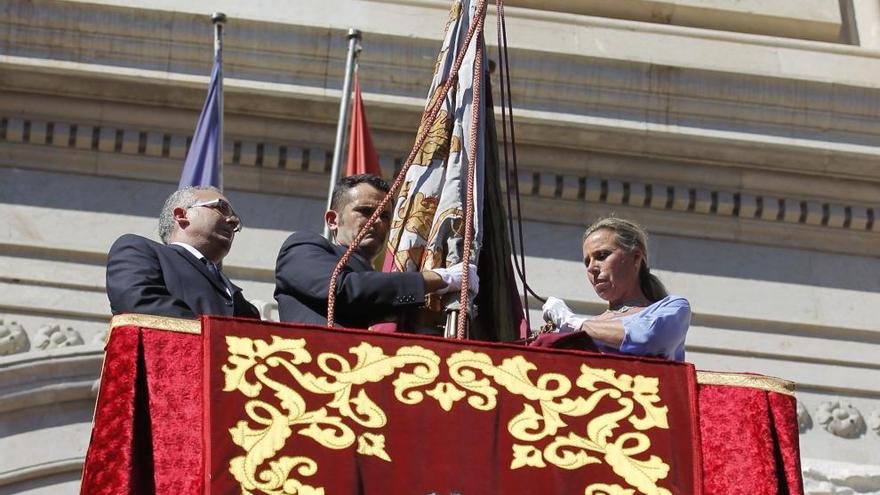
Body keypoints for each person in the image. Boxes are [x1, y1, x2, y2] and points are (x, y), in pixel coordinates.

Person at [275, 174, 477, 329]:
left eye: (385, 216)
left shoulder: (382, 283)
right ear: (332, 220)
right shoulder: (301, 246)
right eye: (366, 211)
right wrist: (439, 279)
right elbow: (343, 289)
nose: (378, 222)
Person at [540, 217, 690, 361]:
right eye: (587, 262)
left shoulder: (673, 307)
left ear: (636, 257)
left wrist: (571, 322)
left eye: (602, 255)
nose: (592, 267)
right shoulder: (585, 326)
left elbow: (649, 338)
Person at [106, 186, 261, 319]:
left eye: (236, 221)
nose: (233, 221)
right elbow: (140, 303)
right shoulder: (138, 251)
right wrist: (215, 338)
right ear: (181, 215)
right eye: (222, 208)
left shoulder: (243, 304)